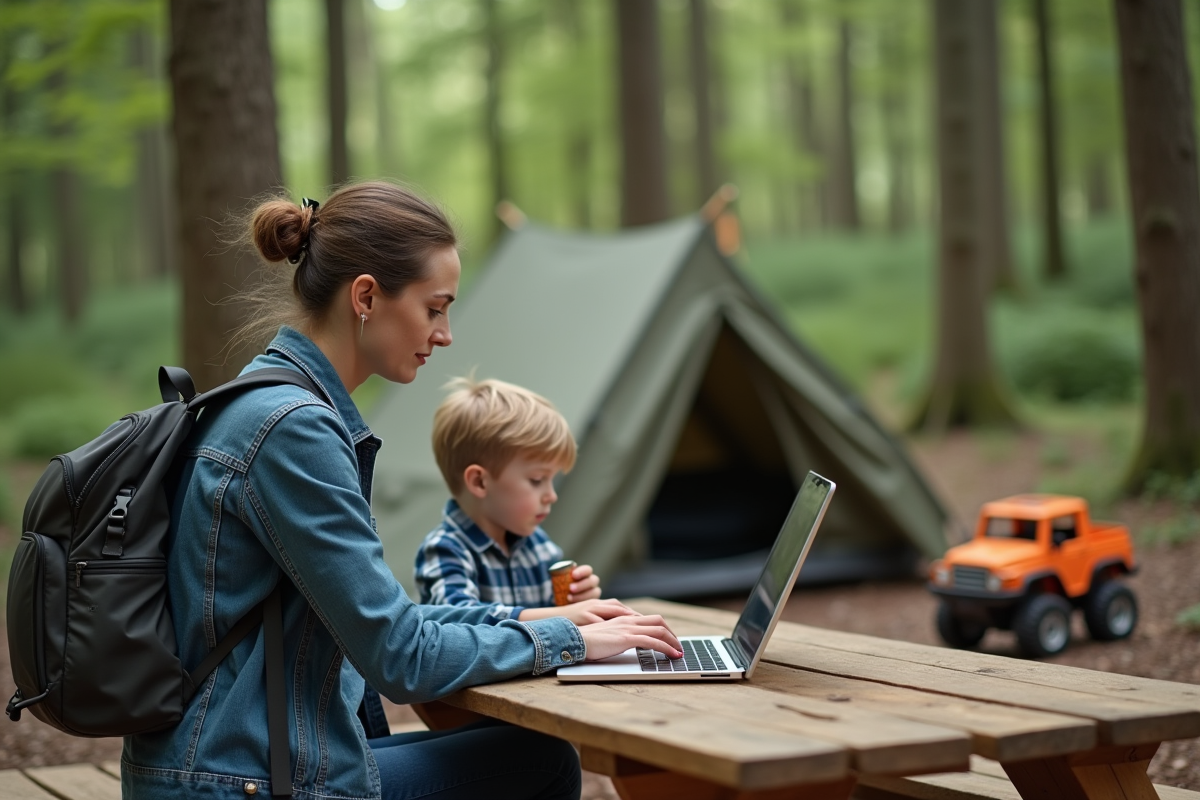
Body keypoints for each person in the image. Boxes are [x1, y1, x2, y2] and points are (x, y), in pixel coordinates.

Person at [122, 182, 682, 800]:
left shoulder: (269, 400)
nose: (444, 335)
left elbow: (389, 619)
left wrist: (538, 616)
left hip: (236, 761)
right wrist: (570, 641)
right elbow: (398, 656)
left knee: (524, 752)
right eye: (434, 308)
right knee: (541, 762)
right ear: (366, 296)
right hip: (238, 780)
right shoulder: (292, 430)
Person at [415, 377, 630, 626]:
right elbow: (458, 621)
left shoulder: (538, 546)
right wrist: (559, 615)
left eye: (552, 480)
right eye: (537, 479)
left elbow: (555, 621)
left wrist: (575, 603)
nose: (552, 495)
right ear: (480, 482)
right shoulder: (445, 549)